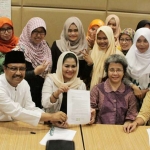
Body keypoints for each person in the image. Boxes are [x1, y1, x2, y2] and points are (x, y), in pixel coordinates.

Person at [0, 51, 67, 127]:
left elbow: (30, 108)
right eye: (13, 68)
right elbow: (17, 111)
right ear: (5, 69)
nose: (18, 73)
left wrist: (50, 120)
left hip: (17, 125)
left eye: (22, 69)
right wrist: (51, 116)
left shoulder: (24, 83)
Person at [90, 54, 138, 125]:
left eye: (119, 70)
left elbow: (132, 113)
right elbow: (91, 108)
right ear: (107, 71)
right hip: (99, 129)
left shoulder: (129, 92)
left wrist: (128, 122)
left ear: (123, 72)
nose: (115, 73)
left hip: (122, 130)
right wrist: (91, 116)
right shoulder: (97, 89)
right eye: (112, 70)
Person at [51, 17, 93, 88]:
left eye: (76, 30)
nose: (73, 33)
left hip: (76, 88)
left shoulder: (84, 48)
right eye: (69, 31)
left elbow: (83, 76)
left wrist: (89, 64)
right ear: (65, 30)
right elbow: (53, 68)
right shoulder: (57, 45)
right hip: (57, 85)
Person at [19, 17, 52, 108]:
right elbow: (16, 75)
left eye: (42, 32)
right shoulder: (20, 49)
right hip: (26, 93)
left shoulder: (45, 46)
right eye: (35, 31)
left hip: (42, 92)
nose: (38, 35)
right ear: (29, 31)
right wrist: (35, 72)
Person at [125, 28, 150, 108]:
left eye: (145, 41)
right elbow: (124, 77)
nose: (141, 44)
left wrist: (146, 91)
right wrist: (134, 87)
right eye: (138, 41)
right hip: (132, 97)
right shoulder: (129, 57)